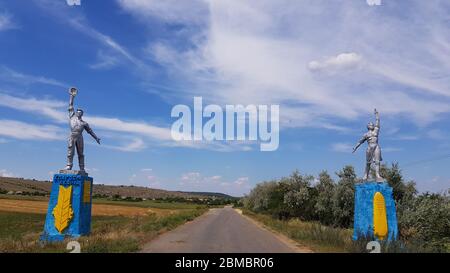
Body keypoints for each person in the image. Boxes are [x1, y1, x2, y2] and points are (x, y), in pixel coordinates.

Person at [65, 87, 100, 172]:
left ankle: (82, 167)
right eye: (77, 112)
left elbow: (90, 131)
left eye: (80, 112)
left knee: (80, 153)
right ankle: (69, 165)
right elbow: (70, 105)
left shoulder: (84, 123)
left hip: (80, 137)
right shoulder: (72, 117)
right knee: (70, 151)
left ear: (82, 114)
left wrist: (96, 138)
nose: (78, 113)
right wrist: (72, 96)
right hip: (72, 135)